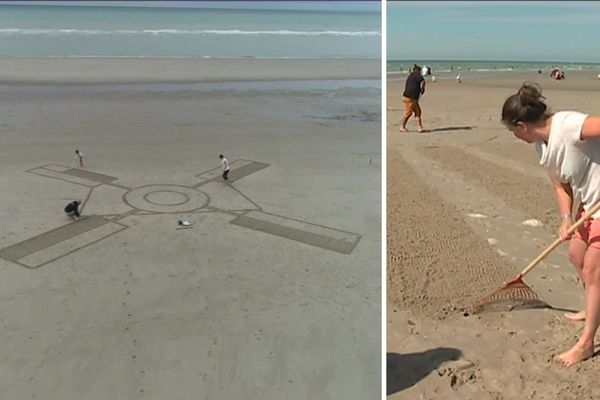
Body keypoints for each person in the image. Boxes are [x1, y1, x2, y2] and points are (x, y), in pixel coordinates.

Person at [502, 82, 600, 367]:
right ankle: (591, 306)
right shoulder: (542, 147)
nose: (514, 136)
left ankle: (586, 343)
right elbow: (561, 186)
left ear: (521, 126)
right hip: (590, 204)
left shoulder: (568, 125)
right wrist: (566, 218)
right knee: (576, 255)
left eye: (512, 131)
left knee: (594, 267)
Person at [400, 65, 426, 133]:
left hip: (413, 98)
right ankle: (402, 126)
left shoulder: (411, 75)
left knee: (418, 111)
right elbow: (423, 81)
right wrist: (422, 89)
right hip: (409, 97)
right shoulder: (416, 75)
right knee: (408, 113)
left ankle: (420, 127)